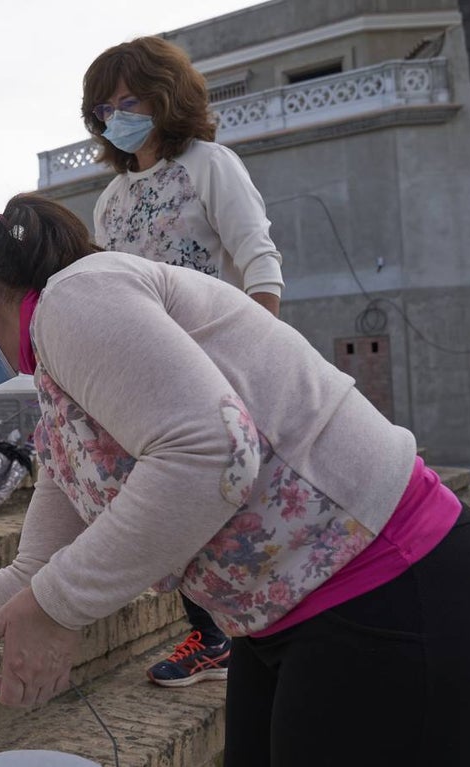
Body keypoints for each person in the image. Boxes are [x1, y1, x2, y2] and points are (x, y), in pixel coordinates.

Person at [0, 193, 470, 767]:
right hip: (287, 623)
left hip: (400, 590)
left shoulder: (75, 300)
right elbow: (34, 574)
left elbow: (212, 451)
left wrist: (58, 608)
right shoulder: (61, 404)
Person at [81, 35, 285, 686]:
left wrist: (262, 353)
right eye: (106, 106)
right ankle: (212, 634)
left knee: (240, 502)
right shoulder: (109, 201)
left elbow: (258, 258)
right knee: (173, 506)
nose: (118, 114)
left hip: (220, 361)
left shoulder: (209, 165)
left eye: (130, 98)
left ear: (165, 98)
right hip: (147, 376)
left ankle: (266, 627)